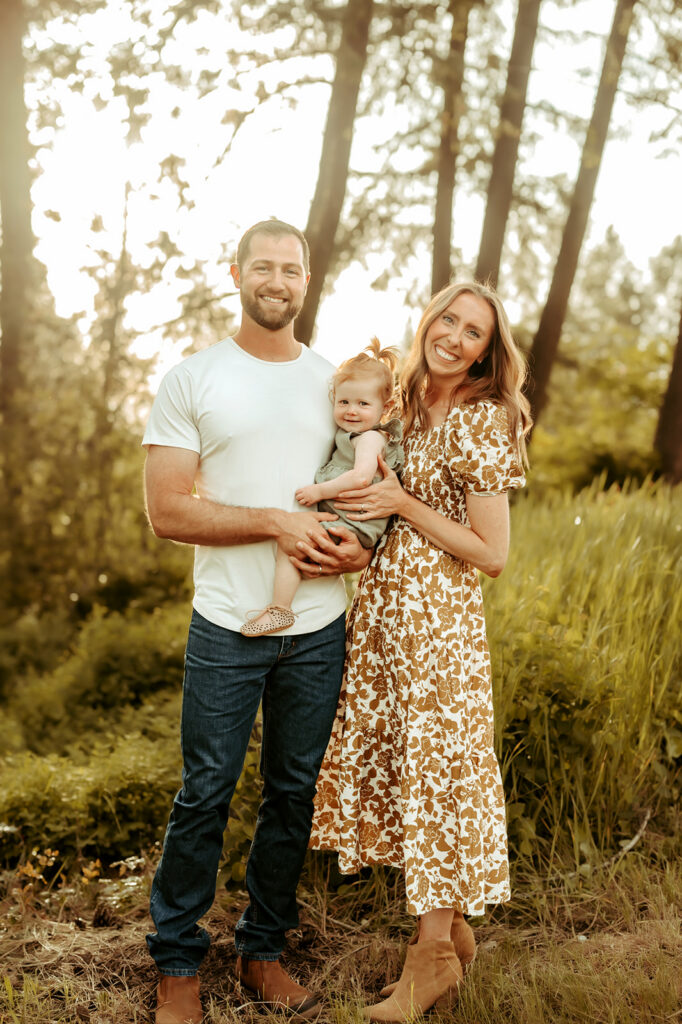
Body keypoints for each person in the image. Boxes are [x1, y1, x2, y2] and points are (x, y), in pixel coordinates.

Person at [142, 218, 372, 1024]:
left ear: (307, 281)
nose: (278, 280)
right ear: (237, 273)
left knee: (292, 793)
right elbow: (167, 511)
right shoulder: (192, 379)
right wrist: (276, 523)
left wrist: (354, 553)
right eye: (264, 266)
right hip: (226, 625)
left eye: (292, 269)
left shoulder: (334, 381)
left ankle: (262, 951)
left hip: (318, 627)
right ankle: (177, 966)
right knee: (205, 791)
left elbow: (364, 487)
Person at [306, 281, 532, 1021]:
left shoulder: (481, 420)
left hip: (440, 633)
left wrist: (405, 504)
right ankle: (454, 931)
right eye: (449, 320)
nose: (456, 338)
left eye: (474, 332)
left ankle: (428, 960)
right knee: (411, 776)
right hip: (381, 623)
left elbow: (492, 554)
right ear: (428, 321)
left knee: (437, 778)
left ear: (486, 351)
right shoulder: (395, 401)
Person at [240, 338, 404, 637]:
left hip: (354, 522)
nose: (352, 411)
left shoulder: (370, 438)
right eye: (344, 402)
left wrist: (319, 492)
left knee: (291, 544)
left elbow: (360, 478)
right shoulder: (349, 434)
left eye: (363, 404)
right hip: (347, 518)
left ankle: (280, 609)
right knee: (297, 545)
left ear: (386, 407)